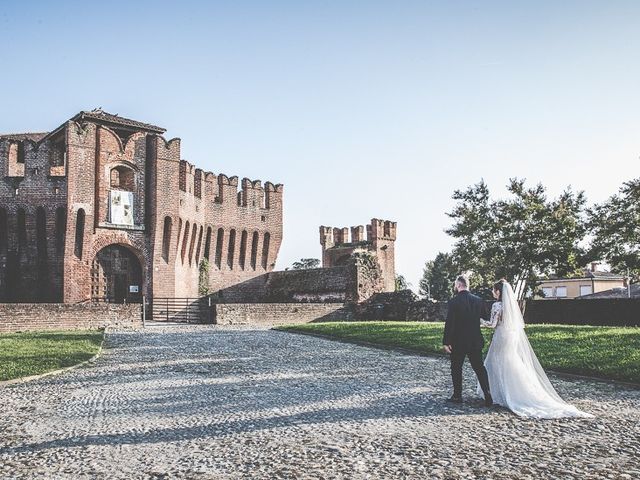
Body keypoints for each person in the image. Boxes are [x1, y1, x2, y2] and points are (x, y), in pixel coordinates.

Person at [479, 279, 593, 419]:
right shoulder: (511, 307)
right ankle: (517, 390)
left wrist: (479, 321)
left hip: (501, 337)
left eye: (494, 290)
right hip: (510, 336)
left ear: (498, 291)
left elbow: (492, 324)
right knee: (510, 361)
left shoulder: (497, 305)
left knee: (497, 363)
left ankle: (499, 393)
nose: (492, 292)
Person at [442, 275, 493, 406]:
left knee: (456, 368)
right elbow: (485, 317)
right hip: (475, 340)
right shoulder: (478, 300)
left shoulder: (454, 302)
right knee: (479, 368)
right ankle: (488, 395)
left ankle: (457, 395)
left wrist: (446, 342)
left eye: (455, 285)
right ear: (467, 285)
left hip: (458, 341)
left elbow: (450, 323)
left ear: (458, 285)